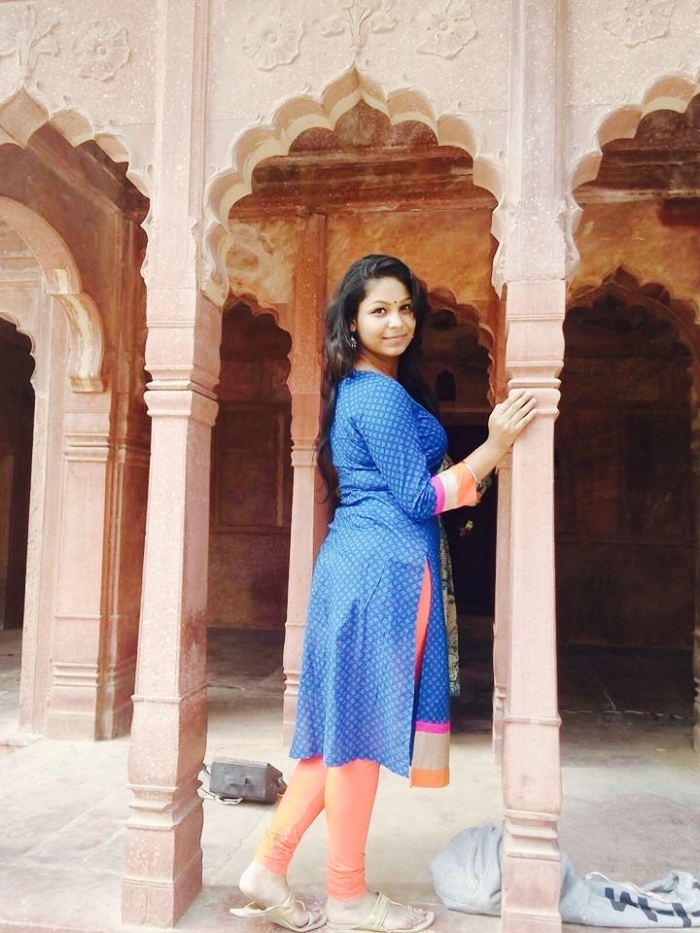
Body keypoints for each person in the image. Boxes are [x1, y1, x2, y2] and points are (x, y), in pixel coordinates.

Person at [230, 254, 536, 933]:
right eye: (379, 310)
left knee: (340, 734)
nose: (396, 321)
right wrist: (494, 445)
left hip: (360, 567)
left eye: (404, 308)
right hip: (383, 574)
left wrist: (465, 475)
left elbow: (410, 488)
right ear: (352, 321)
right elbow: (419, 498)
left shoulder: (368, 390)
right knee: (361, 736)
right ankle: (347, 895)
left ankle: (267, 869)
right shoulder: (377, 395)